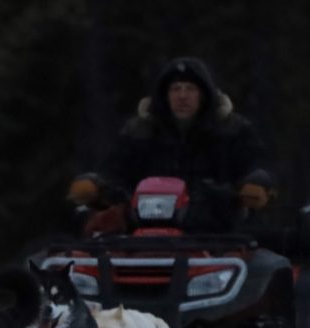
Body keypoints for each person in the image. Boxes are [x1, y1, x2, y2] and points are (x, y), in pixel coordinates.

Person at [68, 56, 273, 235]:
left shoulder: (233, 130)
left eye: (190, 88)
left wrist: (256, 183)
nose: (182, 96)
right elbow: (115, 171)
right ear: (164, 95)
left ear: (204, 94)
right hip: (143, 233)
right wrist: (97, 185)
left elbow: (254, 164)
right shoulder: (139, 132)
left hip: (217, 234)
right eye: (175, 89)